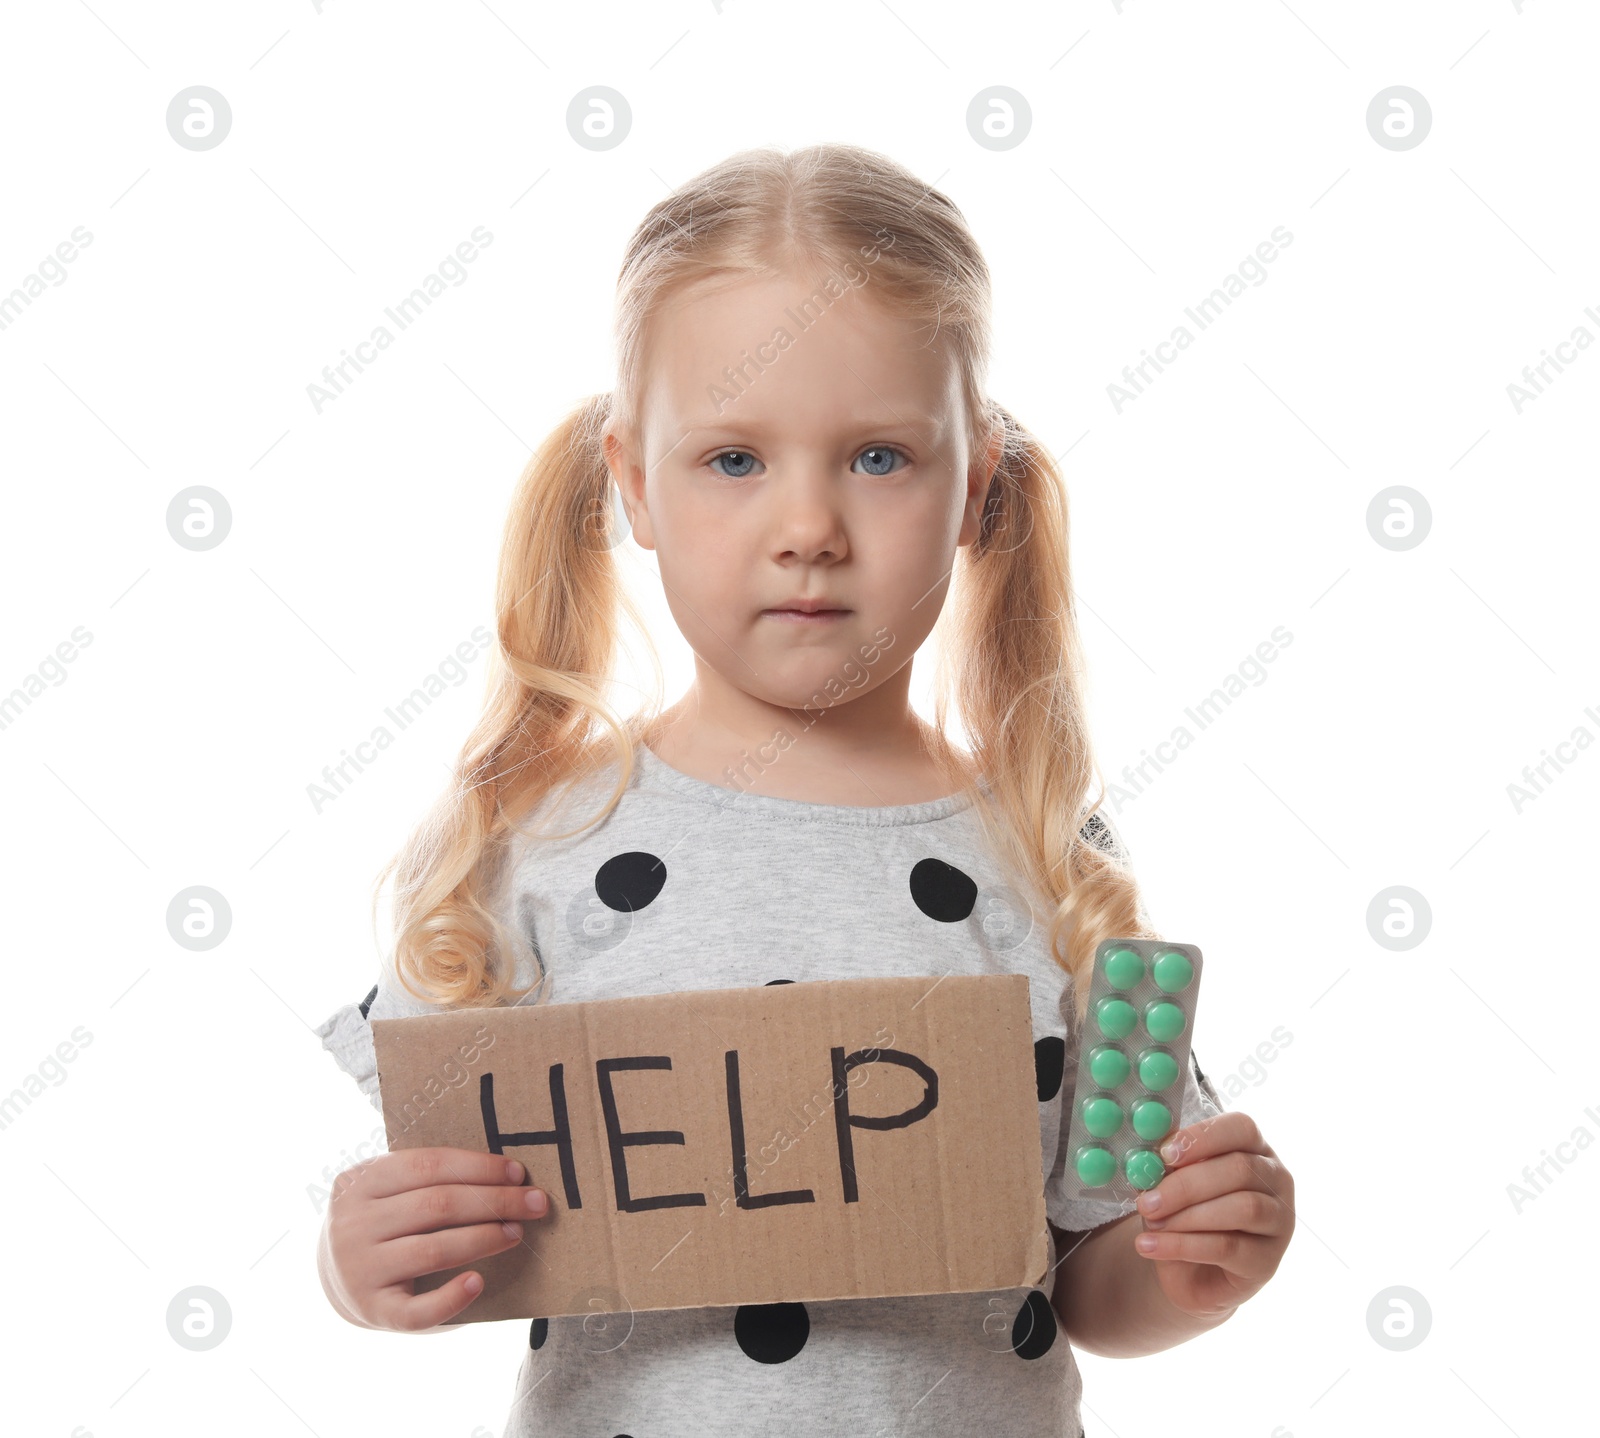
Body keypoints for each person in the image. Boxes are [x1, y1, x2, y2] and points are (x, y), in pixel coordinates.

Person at [313, 142, 1295, 1437]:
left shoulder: (1063, 858)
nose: (810, 526)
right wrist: (359, 1262)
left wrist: (1200, 1259)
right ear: (633, 483)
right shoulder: (537, 842)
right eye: (733, 460)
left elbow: (1103, 1279)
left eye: (880, 458)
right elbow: (435, 1228)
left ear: (974, 486)